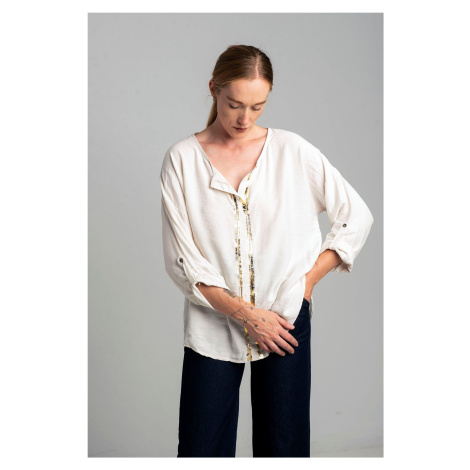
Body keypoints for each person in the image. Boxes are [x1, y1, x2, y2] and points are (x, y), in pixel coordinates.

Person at [160, 44, 374, 458]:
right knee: (201, 450)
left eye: (257, 107)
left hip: (285, 318)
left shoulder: (293, 151)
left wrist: (305, 285)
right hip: (213, 323)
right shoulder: (181, 160)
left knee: (284, 449)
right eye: (234, 104)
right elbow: (183, 261)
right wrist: (246, 314)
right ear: (213, 89)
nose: (245, 119)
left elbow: (356, 216)